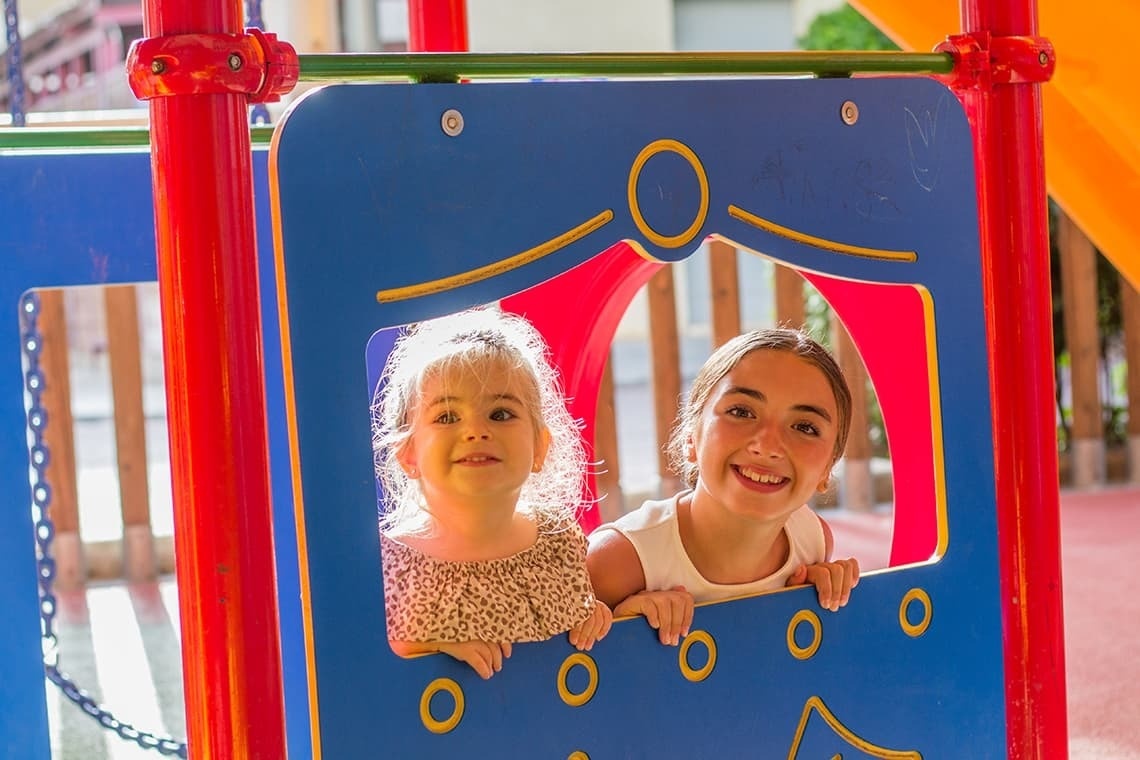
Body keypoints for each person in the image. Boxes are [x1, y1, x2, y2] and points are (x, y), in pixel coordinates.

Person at [373, 308, 612, 679]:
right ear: (407, 453)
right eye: (448, 417)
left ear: (539, 447)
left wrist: (601, 616)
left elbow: (582, 623)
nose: (476, 431)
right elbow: (357, 667)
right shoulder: (387, 563)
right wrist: (427, 651)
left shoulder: (559, 541)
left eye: (500, 414)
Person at [587, 328, 860, 646]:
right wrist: (619, 625)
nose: (768, 445)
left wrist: (821, 596)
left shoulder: (812, 542)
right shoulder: (617, 562)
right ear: (691, 437)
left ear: (828, 468)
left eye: (804, 427)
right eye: (741, 412)